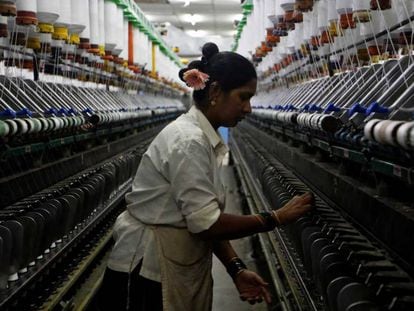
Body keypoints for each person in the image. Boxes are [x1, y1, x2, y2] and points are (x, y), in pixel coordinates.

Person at [96, 42, 313, 311]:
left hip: (172, 264)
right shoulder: (189, 142)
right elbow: (207, 225)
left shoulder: (202, 138)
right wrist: (275, 218)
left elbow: (201, 215)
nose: (249, 109)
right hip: (148, 273)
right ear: (215, 91)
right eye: (243, 97)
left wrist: (235, 268)